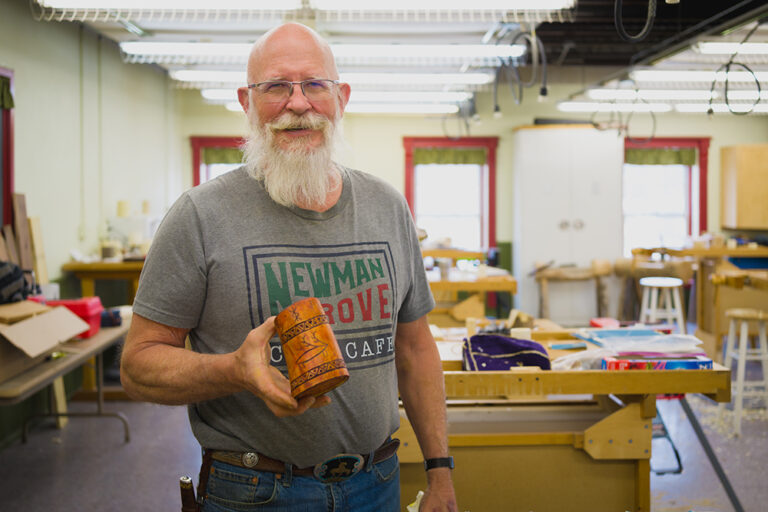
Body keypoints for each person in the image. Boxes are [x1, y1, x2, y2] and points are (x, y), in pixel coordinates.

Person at [120, 22, 457, 512]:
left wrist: (440, 469)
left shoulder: (387, 206)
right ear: (246, 101)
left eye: (314, 84)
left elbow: (416, 347)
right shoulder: (200, 215)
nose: (298, 103)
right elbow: (138, 367)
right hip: (255, 490)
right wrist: (234, 370)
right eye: (276, 86)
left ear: (340, 97)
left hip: (377, 481)